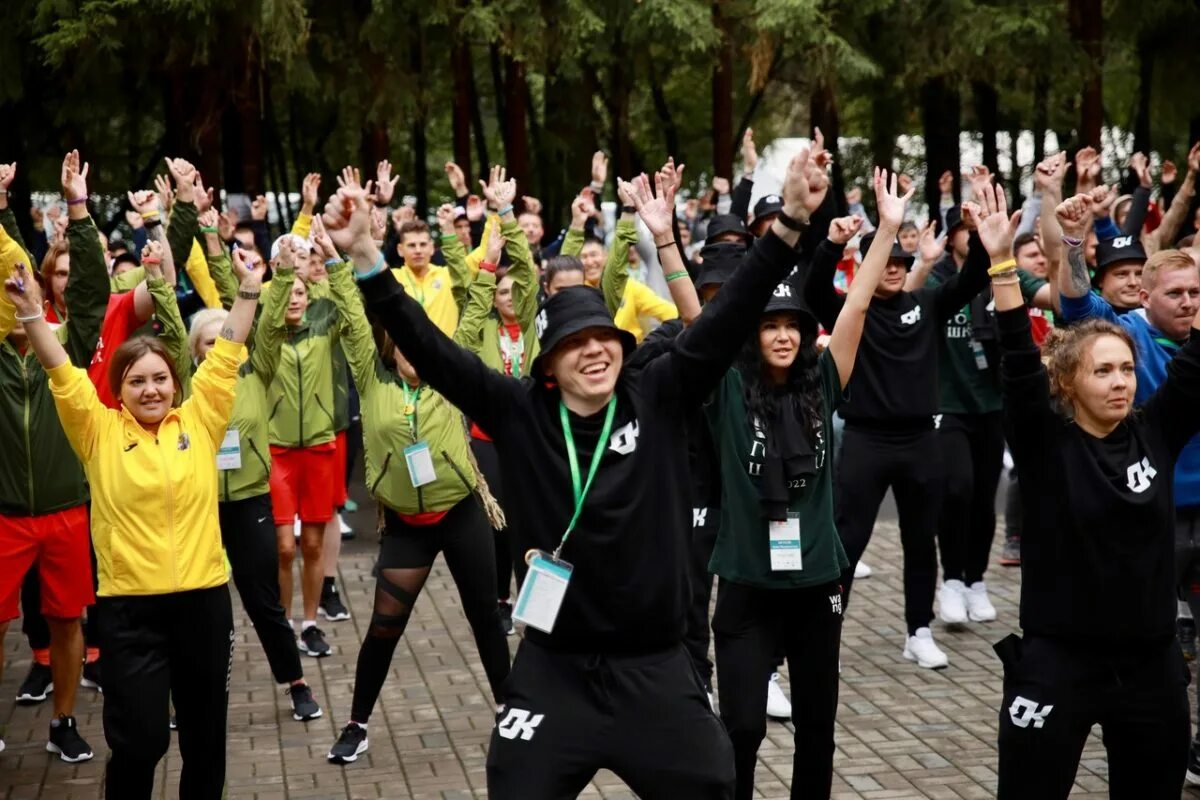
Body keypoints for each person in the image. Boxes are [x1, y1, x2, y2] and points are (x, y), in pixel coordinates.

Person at [322, 149, 818, 799]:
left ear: (620, 346)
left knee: (714, 782)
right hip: (554, 670)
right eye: (572, 344)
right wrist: (364, 255)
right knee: (512, 782)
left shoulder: (660, 393)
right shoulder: (519, 412)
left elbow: (726, 321)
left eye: (603, 338)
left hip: (657, 667)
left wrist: (789, 224)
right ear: (548, 366)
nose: (592, 350)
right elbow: (431, 350)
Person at [5, 234, 262, 797]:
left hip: (204, 605)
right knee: (141, 742)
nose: (150, 389)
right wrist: (30, 315)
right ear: (119, 390)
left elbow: (227, 354)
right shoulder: (97, 431)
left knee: (205, 742)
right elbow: (62, 373)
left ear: (175, 382)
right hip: (130, 613)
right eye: (136, 380)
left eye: (160, 378)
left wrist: (248, 287)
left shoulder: (201, 420)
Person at [985, 185, 1199, 799]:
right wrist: (1002, 261)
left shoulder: (1155, 430)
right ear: (1069, 383)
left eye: (1126, 369)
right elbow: (1017, 360)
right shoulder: (1044, 443)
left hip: (1151, 666)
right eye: (1102, 370)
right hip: (1057, 665)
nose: (1119, 382)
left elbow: (1196, 362)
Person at [708, 170, 912, 800]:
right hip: (745, 586)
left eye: (793, 325)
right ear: (753, 332)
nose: (783, 333)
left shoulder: (823, 383)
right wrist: (663, 240)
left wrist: (887, 231)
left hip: (818, 583)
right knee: (741, 727)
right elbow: (703, 314)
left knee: (816, 730)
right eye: (770, 324)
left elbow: (852, 307)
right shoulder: (726, 386)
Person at [313, 211, 511, 763]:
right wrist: (335, 257)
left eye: (420, 347)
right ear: (390, 348)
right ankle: (356, 722)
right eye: (403, 347)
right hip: (405, 527)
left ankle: (511, 715)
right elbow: (354, 317)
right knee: (384, 627)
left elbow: (473, 315)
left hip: (459, 512)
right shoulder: (371, 377)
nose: (412, 355)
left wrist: (489, 261)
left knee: (485, 621)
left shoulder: (452, 376)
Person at [804, 184, 992, 670]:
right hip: (866, 439)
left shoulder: (926, 305)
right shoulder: (853, 312)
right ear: (866, 266)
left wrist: (975, 231)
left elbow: (973, 278)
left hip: (919, 441)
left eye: (899, 263)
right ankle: (823, 628)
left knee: (920, 540)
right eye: (883, 261)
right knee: (847, 540)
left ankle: (919, 630)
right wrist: (832, 244)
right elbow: (813, 288)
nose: (892, 269)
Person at [1054, 189, 1200, 782]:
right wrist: (1069, 240)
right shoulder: (1126, 339)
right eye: (1175, 293)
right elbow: (1072, 301)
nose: (1188, 302)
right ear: (1145, 298)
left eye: (1195, 293)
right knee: (1155, 641)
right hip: (1152, 516)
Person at [188, 230, 322, 722]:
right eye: (210, 339)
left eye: (227, 335)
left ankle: (297, 682)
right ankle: (188, 696)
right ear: (196, 349)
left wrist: (283, 270)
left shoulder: (255, 369)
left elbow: (266, 327)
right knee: (195, 604)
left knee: (262, 597)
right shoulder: (185, 385)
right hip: (197, 502)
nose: (221, 343)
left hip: (247, 500)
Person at [0, 152, 105, 762]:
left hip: (67, 510)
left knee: (68, 621)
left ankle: (64, 721)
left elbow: (90, 288)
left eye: (27, 280)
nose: (17, 288)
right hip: (6, 513)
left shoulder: (66, 343)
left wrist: (78, 208)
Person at [450, 166, 540, 632]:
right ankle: (500, 600)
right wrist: (485, 261)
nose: (507, 296)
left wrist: (507, 213)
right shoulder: (480, 326)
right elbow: (465, 285)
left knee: (532, 522)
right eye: (499, 291)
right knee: (497, 523)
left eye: (513, 291)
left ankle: (536, 604)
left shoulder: (530, 326)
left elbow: (525, 271)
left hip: (530, 435)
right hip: (486, 437)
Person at [261, 236, 343, 658]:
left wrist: (324, 253)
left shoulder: (323, 326)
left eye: (299, 292)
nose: (293, 298)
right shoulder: (267, 333)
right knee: (284, 546)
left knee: (312, 545)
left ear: (309, 295)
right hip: (277, 452)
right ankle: (284, 625)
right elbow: (272, 291)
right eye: (286, 291)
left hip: (318, 448)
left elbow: (333, 290)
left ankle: (310, 623)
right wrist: (283, 271)